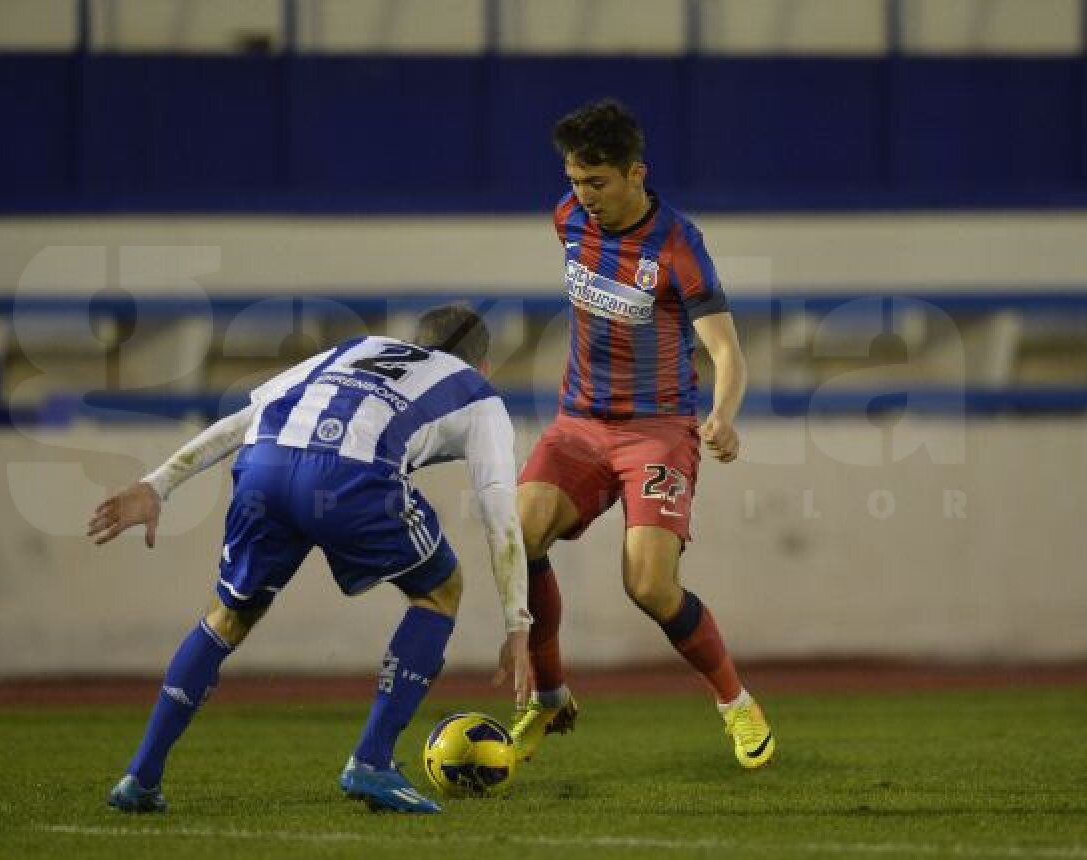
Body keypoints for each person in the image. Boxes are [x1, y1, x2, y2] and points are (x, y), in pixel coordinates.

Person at [88, 305, 531, 815]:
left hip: (265, 464)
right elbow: (500, 507)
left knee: (228, 616)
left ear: (414, 338)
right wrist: (516, 623)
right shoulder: (477, 393)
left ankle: (140, 778)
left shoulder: (356, 349)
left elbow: (247, 417)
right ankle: (372, 760)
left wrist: (157, 484)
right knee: (440, 589)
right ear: (485, 364)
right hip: (351, 480)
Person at [510, 99, 774, 769]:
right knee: (517, 537)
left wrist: (722, 415)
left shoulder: (679, 244)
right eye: (574, 180)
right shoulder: (567, 220)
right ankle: (548, 694)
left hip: (656, 432)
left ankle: (736, 703)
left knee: (650, 587)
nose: (582, 196)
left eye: (596, 181)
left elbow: (727, 351)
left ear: (636, 173)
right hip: (578, 424)